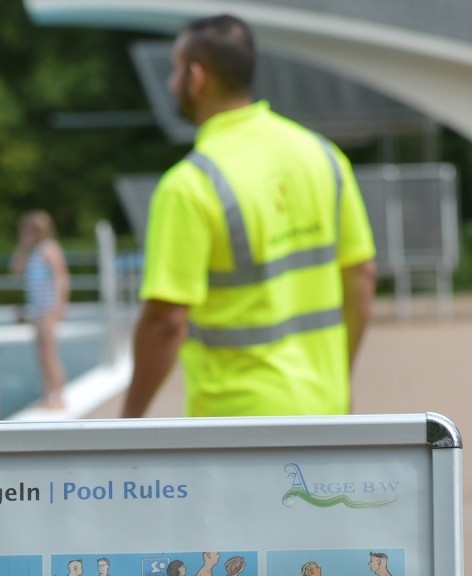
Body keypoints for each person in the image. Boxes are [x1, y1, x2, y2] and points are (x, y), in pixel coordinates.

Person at [121, 14, 376, 419]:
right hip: (326, 407)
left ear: (197, 76)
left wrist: (129, 420)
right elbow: (361, 278)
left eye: (175, 71)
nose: (172, 84)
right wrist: (337, 379)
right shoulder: (322, 156)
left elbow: (166, 323)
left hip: (238, 422)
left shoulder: (190, 185)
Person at [10, 210, 70, 409]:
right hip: (38, 310)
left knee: (49, 354)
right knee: (42, 355)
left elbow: (61, 278)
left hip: (48, 309)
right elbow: (15, 271)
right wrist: (23, 246)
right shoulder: (33, 251)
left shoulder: (49, 249)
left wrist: (60, 307)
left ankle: (59, 397)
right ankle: (48, 396)